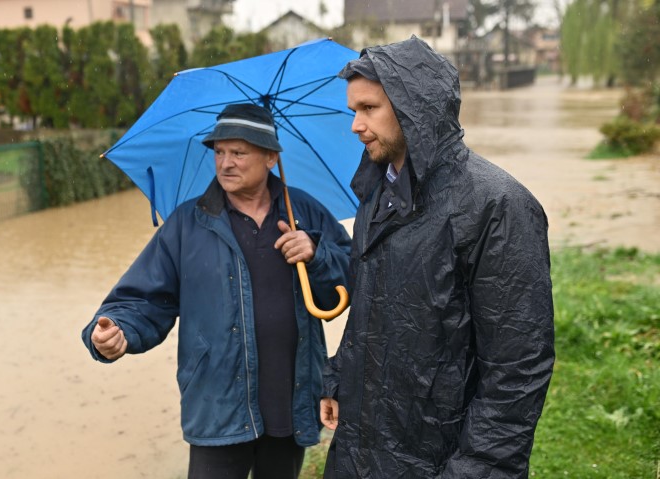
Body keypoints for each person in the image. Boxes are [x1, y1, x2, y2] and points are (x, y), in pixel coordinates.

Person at [319, 37, 555, 478]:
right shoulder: (375, 192)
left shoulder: (497, 206)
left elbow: (517, 368)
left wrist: (476, 468)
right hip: (361, 447)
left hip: (439, 456)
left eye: (369, 109)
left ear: (416, 107)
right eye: (354, 110)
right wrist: (337, 379)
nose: (356, 125)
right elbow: (369, 311)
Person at [81, 103, 352, 479]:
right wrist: (118, 331)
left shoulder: (303, 213)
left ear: (271, 157)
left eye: (239, 153)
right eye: (219, 152)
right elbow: (142, 298)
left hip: (289, 402)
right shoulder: (186, 224)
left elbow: (353, 277)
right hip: (216, 406)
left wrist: (317, 252)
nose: (225, 163)